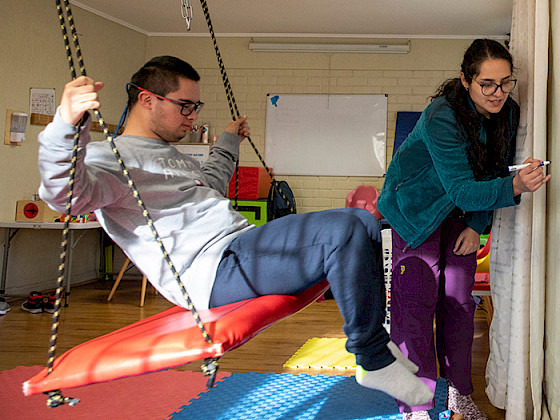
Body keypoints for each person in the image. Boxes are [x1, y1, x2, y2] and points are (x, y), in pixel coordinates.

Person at [37, 56, 433, 407]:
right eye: (185, 106)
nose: (192, 117)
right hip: (211, 271)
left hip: (238, 248)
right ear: (147, 99)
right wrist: (66, 124)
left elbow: (210, 181)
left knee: (366, 224)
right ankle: (373, 359)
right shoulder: (112, 158)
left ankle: (376, 347)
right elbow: (66, 196)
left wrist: (229, 138)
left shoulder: (170, 155)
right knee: (347, 227)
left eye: (196, 107)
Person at [377, 39, 551, 420]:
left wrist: (476, 226)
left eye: (506, 82)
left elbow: (490, 170)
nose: (498, 93)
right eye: (487, 84)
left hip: (460, 210)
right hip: (415, 210)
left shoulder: (508, 112)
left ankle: (458, 395)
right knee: (415, 308)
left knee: (458, 304)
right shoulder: (442, 114)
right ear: (466, 80)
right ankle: (416, 405)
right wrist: (517, 186)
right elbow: (462, 187)